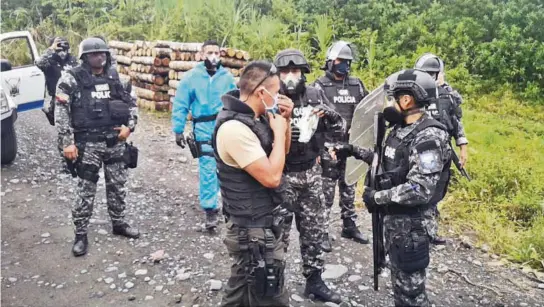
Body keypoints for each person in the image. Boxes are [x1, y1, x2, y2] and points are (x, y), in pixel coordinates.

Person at [342, 69, 451, 307]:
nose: (388, 103)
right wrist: (353, 151)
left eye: (392, 97)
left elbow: (420, 188)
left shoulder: (428, 137)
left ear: (406, 100)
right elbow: (389, 164)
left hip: (413, 227)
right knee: (400, 288)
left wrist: (377, 197)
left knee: (411, 295)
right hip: (396, 225)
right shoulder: (400, 130)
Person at [213, 60, 294, 306]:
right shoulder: (234, 129)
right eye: (277, 91)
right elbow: (271, 177)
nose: (279, 96)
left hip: (260, 224)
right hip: (252, 231)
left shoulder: (256, 118)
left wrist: (285, 122)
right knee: (269, 295)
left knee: (241, 291)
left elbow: (282, 155)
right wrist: (278, 132)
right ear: (262, 92)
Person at [55, 37, 140, 257]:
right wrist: (67, 143)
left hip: (114, 141)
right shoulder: (71, 79)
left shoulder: (117, 77)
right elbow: (61, 111)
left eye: (102, 53)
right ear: (84, 57)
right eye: (94, 54)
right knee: (85, 190)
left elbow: (132, 103)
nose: (99, 57)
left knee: (117, 185)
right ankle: (81, 233)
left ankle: (119, 223)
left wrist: (130, 127)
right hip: (87, 143)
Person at [273, 49, 343, 303]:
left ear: (303, 73)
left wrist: (331, 115)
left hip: (310, 174)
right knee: (276, 235)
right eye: (285, 72)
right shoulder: (271, 97)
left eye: (295, 71)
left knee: (314, 232)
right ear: (278, 75)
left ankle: (314, 281)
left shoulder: (315, 95)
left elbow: (338, 129)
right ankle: (274, 284)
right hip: (280, 176)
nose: (291, 76)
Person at [172, 40, 237, 230]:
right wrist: (178, 129)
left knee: (228, 167)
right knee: (208, 168)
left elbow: (235, 100)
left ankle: (231, 207)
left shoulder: (227, 78)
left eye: (216, 52)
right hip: (202, 127)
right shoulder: (192, 78)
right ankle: (210, 210)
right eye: (209, 52)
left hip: (224, 125)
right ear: (201, 54)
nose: (213, 56)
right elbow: (181, 104)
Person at [312, 41, 370, 251]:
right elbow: (313, 121)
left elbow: (367, 110)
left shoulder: (357, 84)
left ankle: (349, 225)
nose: (343, 65)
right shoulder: (319, 86)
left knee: (349, 187)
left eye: (347, 61)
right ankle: (322, 230)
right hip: (328, 147)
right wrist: (316, 149)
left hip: (351, 146)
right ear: (329, 62)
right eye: (339, 61)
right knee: (325, 193)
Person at [414, 53, 468, 244]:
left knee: (437, 194)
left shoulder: (448, 96)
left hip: (443, 155)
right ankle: (416, 233)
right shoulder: (413, 93)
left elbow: (456, 124)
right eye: (424, 73)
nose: (428, 77)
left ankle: (430, 232)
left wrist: (462, 148)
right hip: (417, 155)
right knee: (417, 191)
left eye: (432, 74)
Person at [36, 36, 79, 172]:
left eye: (64, 46)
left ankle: (79, 158)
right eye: (59, 47)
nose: (62, 50)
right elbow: (38, 63)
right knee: (63, 131)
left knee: (78, 128)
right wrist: (51, 49)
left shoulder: (73, 60)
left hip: (76, 99)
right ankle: (65, 163)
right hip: (58, 100)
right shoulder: (49, 60)